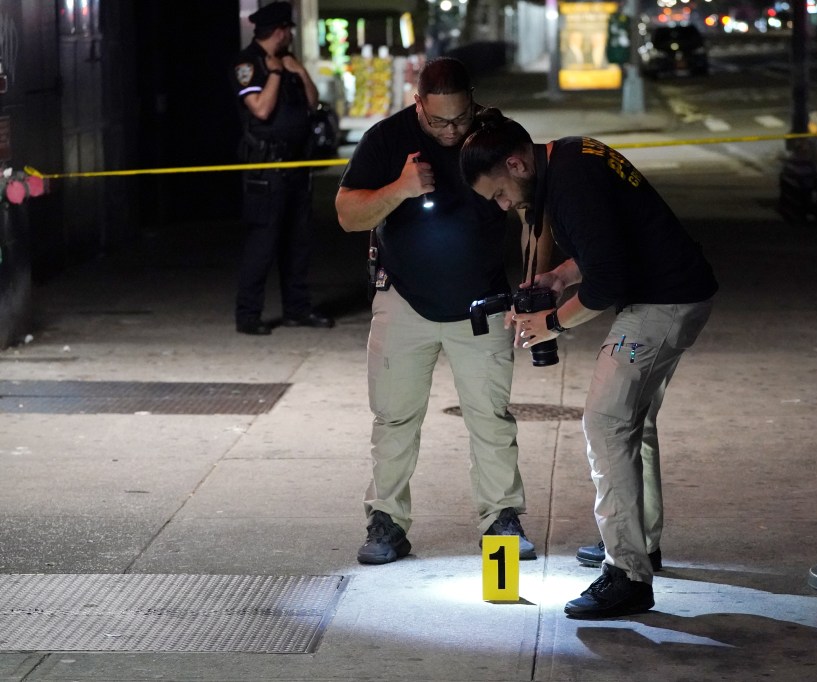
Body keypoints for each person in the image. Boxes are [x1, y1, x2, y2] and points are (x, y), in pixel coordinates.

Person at [460, 110, 718, 619]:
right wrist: (559, 275)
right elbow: (609, 242)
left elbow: (606, 284)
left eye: (499, 194)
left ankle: (626, 575)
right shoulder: (571, 156)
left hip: (660, 304)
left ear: (516, 163)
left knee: (604, 422)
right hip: (678, 290)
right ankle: (637, 545)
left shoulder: (570, 185)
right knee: (632, 425)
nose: (504, 205)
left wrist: (551, 323)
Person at [334, 57, 535, 565]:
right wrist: (399, 188)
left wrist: (537, 278)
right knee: (395, 418)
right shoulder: (386, 139)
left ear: (474, 102)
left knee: (490, 419)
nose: (451, 131)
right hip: (404, 301)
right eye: (439, 121)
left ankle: (501, 521)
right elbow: (347, 215)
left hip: (481, 304)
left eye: (460, 119)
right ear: (418, 103)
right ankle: (387, 520)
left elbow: (535, 208)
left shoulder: (495, 137)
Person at [232, 1, 334, 335]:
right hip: (266, 169)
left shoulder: (290, 63)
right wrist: (275, 72)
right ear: (279, 31)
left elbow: (312, 102)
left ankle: (297, 309)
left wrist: (299, 71)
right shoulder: (248, 64)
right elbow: (260, 110)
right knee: (262, 245)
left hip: (296, 166)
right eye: (288, 30)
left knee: (298, 244)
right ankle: (248, 316)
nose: (290, 34)